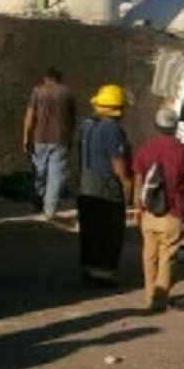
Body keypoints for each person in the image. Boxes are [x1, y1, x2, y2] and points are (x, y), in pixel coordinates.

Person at [131, 107, 184, 312]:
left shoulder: (145, 149)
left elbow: (139, 181)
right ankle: (160, 299)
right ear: (176, 127)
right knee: (167, 256)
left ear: (156, 126)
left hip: (149, 211)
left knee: (149, 255)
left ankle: (150, 296)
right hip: (174, 211)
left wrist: (137, 208)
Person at [76, 84, 132, 287]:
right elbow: (117, 161)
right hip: (106, 185)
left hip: (87, 182)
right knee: (109, 230)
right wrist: (127, 184)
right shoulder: (112, 129)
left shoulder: (86, 125)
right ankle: (104, 274)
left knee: (90, 228)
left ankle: (89, 269)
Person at [22, 68, 77, 220]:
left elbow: (29, 116)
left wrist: (26, 137)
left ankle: (37, 202)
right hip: (61, 138)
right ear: (59, 78)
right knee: (56, 174)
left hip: (40, 138)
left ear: (46, 78)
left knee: (39, 171)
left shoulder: (38, 92)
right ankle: (50, 210)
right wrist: (70, 139)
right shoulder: (67, 93)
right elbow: (72, 121)